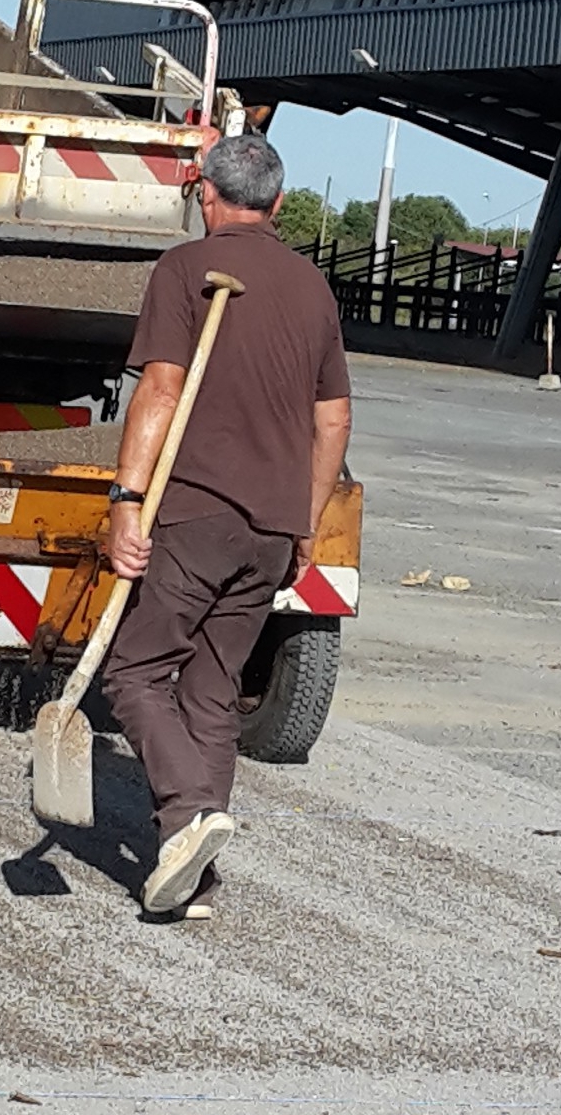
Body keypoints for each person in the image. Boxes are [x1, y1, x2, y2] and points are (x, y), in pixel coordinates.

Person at [101, 132, 352, 920]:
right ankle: (197, 880)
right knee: (211, 694)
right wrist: (306, 523)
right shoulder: (313, 287)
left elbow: (160, 392)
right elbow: (334, 418)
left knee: (134, 675)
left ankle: (185, 814)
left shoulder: (185, 268)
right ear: (277, 203)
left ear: (206, 195)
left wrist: (127, 499)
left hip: (199, 505)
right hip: (275, 523)